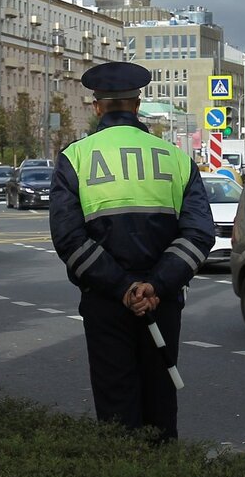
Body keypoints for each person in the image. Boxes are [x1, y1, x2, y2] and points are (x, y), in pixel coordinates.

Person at [48, 62, 214, 442]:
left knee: (116, 406)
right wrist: (155, 286)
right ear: (137, 104)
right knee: (160, 402)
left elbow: (69, 238)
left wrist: (123, 288)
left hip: (106, 303)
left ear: (97, 107)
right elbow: (199, 234)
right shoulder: (175, 158)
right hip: (162, 302)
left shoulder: (75, 158)